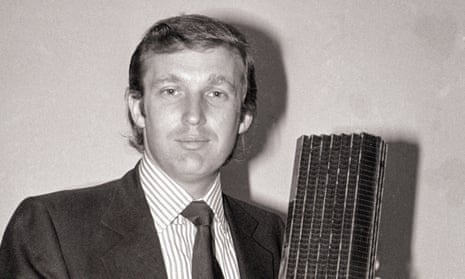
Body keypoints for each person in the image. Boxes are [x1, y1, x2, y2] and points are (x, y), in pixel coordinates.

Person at [0, 14, 284, 278]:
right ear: (138, 108)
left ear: (244, 116)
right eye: (171, 91)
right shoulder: (52, 230)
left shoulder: (281, 238)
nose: (194, 115)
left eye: (216, 93)